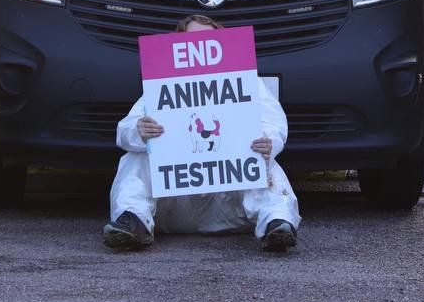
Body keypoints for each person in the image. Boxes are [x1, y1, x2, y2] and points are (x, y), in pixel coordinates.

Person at [102, 15, 301, 253]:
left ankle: (276, 222)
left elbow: (273, 118)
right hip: (172, 206)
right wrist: (139, 131)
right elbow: (124, 131)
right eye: (192, 40)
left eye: (208, 38)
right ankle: (132, 219)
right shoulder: (162, 86)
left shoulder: (247, 81)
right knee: (135, 156)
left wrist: (269, 140)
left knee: (260, 155)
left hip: (229, 207)